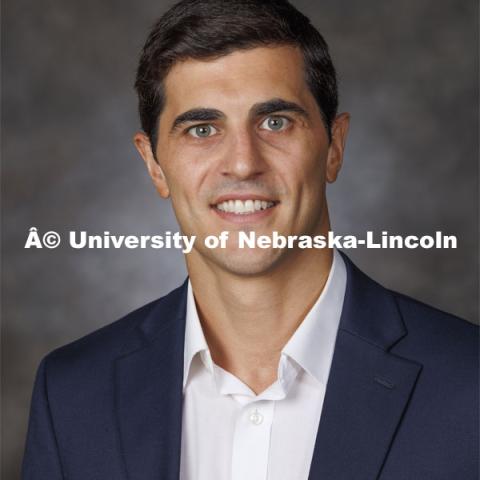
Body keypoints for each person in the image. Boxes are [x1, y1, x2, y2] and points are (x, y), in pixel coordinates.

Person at [22, 1, 478, 479]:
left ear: (334, 147)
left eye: (275, 122)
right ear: (153, 164)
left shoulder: (470, 384)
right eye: (202, 129)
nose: (242, 163)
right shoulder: (72, 394)